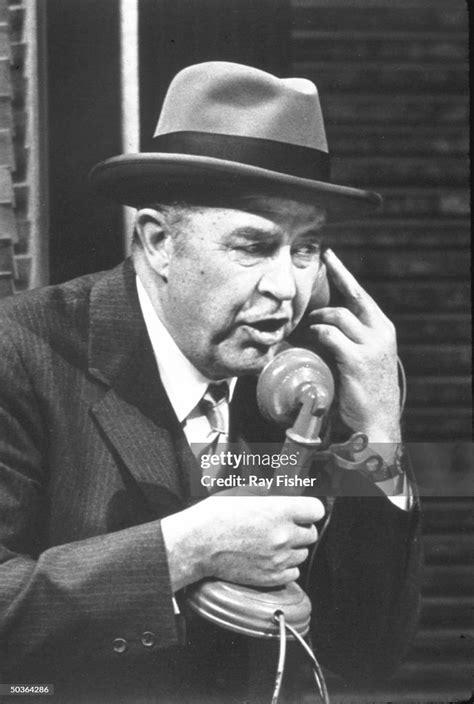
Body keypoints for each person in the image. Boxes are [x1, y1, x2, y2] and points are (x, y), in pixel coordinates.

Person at [0, 62, 421, 703]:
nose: (286, 289)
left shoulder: (301, 381)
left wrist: (378, 437)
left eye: (304, 249)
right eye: (252, 246)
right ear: (159, 241)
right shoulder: (19, 354)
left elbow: (363, 652)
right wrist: (187, 548)